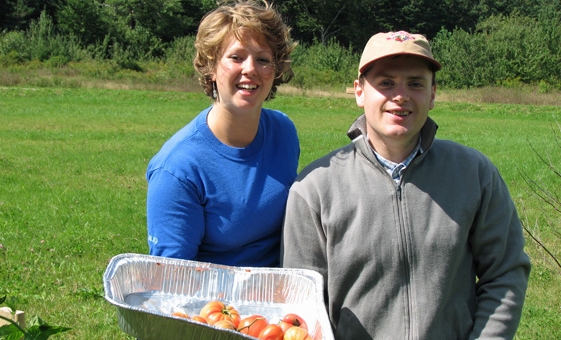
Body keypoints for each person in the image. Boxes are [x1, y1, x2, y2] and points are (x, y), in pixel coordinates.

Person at [281, 31, 531, 339]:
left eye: (415, 83)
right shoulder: (314, 188)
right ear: (360, 91)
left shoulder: (474, 173)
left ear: (433, 94)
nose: (401, 96)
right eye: (385, 83)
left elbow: (505, 272)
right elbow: (302, 306)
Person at [146, 0, 299, 267]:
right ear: (211, 67)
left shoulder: (283, 132)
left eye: (263, 59)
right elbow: (174, 279)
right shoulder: (177, 169)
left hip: (282, 297)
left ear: (275, 71)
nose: (250, 68)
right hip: (217, 304)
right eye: (236, 57)